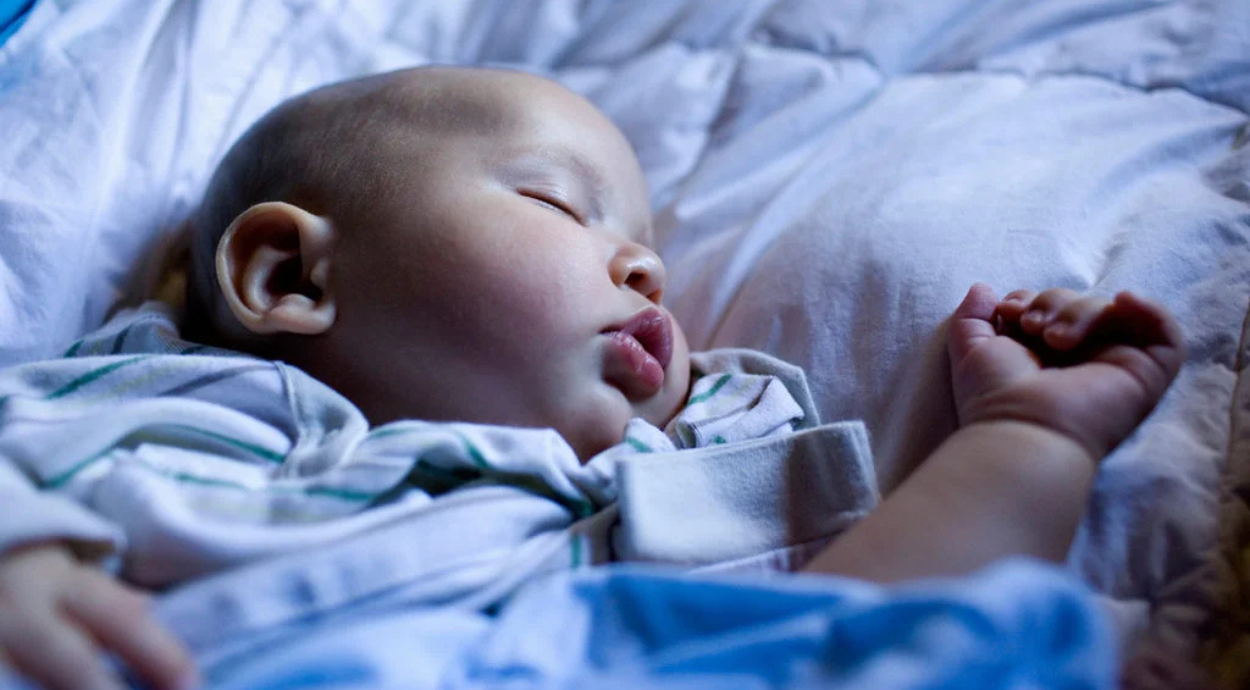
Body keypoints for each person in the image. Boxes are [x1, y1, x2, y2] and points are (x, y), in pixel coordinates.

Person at [0, 66, 1185, 690]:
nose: (644, 266)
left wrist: (1024, 434)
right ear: (289, 274)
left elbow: (842, 617)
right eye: (560, 206)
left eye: (645, 244)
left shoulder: (650, 485)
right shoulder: (188, 404)